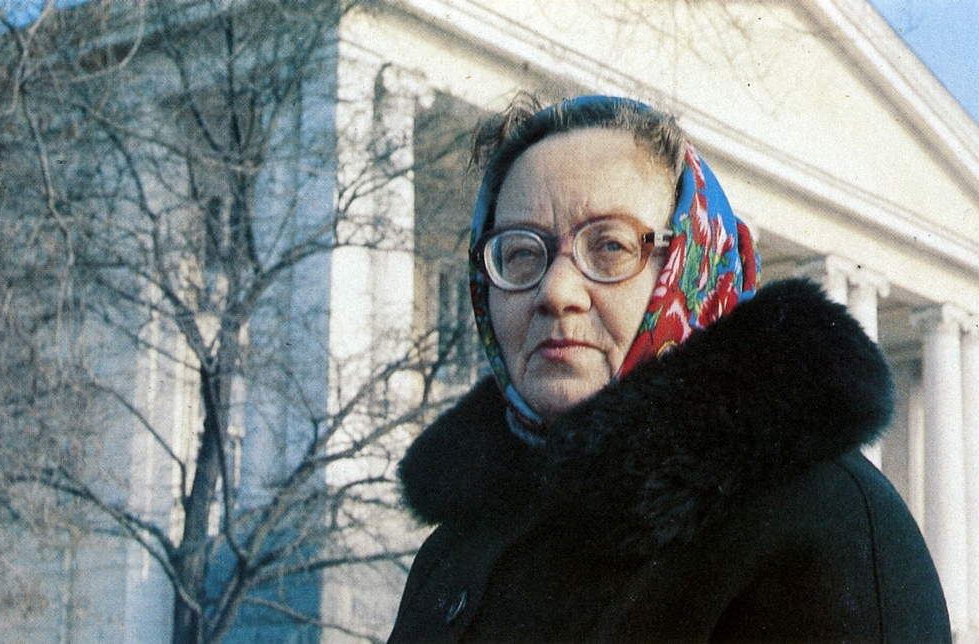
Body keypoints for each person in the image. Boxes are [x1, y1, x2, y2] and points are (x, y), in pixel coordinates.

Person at [387, 95, 950, 643]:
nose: (556, 292)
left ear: (692, 265)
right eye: (520, 253)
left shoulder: (829, 525)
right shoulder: (457, 549)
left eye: (609, 246)